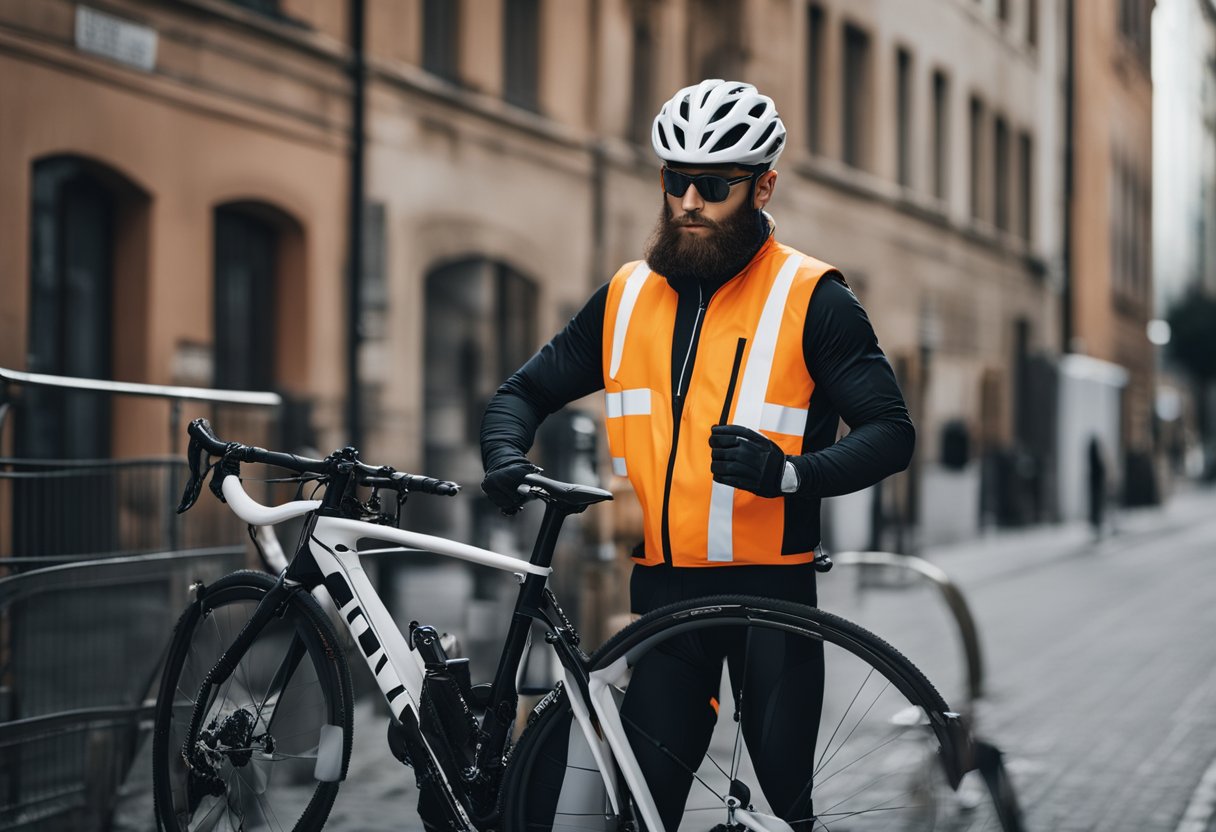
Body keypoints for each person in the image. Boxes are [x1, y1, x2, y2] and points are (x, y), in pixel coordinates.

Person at [480, 79, 914, 831]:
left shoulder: (813, 298)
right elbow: (524, 390)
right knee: (648, 807)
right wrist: (505, 453)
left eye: (713, 185)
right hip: (665, 599)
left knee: (784, 807)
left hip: (773, 597)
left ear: (763, 185)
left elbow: (890, 433)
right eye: (674, 179)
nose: (689, 200)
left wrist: (791, 473)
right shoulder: (625, 297)